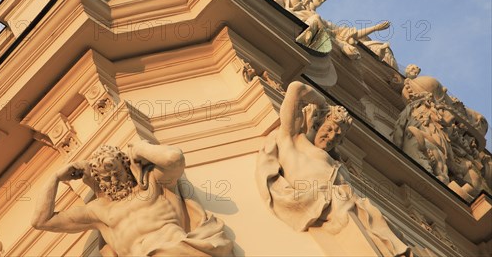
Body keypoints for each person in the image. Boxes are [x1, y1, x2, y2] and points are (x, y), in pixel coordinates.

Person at [256, 81, 410, 257]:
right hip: (324, 204)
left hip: (353, 210)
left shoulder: (335, 164)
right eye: (328, 129)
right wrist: (322, 104)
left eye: (337, 136)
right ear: (317, 124)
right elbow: (296, 88)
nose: (330, 137)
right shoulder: (292, 140)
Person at [31, 141, 233, 256]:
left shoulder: (153, 183)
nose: (112, 179)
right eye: (105, 177)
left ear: (126, 167)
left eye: (116, 171)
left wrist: (138, 148)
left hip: (175, 251)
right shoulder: (98, 211)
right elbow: (42, 221)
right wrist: (55, 177)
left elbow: (174, 158)